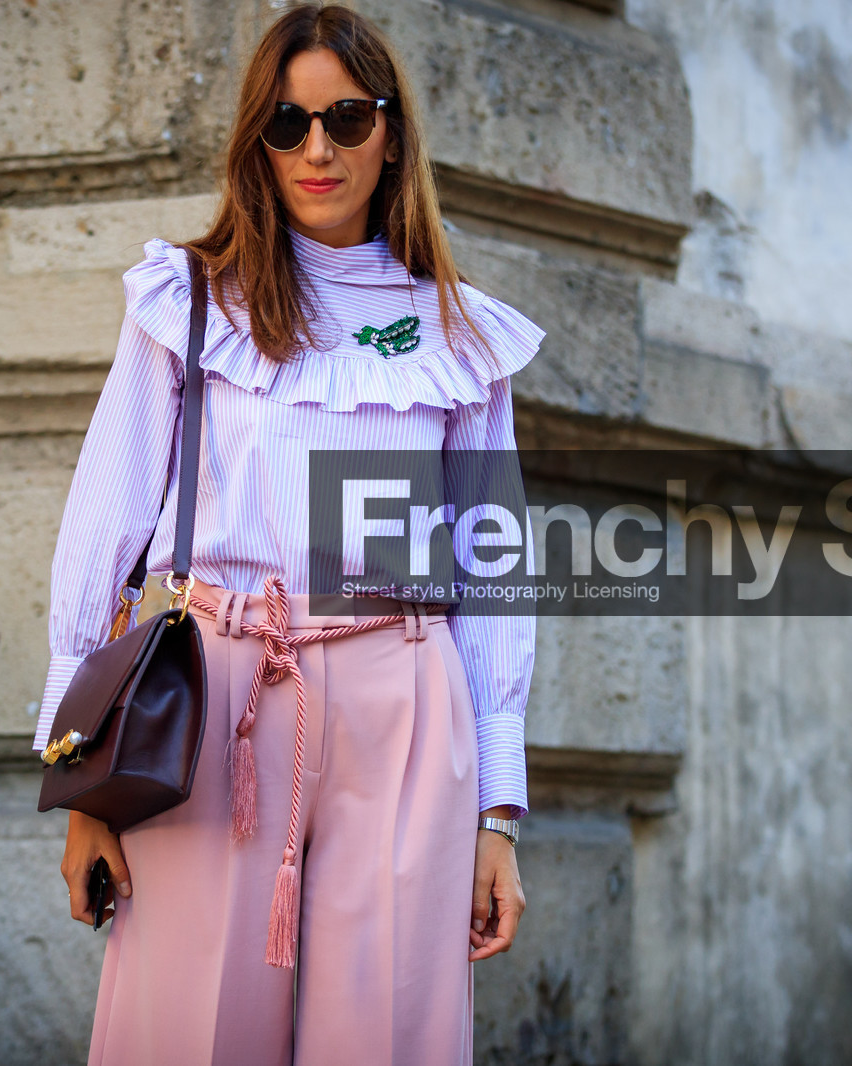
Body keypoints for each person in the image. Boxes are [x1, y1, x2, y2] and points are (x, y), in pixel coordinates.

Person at [32, 4, 544, 1062]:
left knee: (387, 1033)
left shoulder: (455, 333)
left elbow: (489, 579)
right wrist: (80, 779)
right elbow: (104, 525)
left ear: (390, 133)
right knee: (189, 1030)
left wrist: (497, 813)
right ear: (255, 141)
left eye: (347, 119)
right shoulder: (186, 304)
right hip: (223, 691)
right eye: (287, 123)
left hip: (406, 694)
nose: (318, 149)